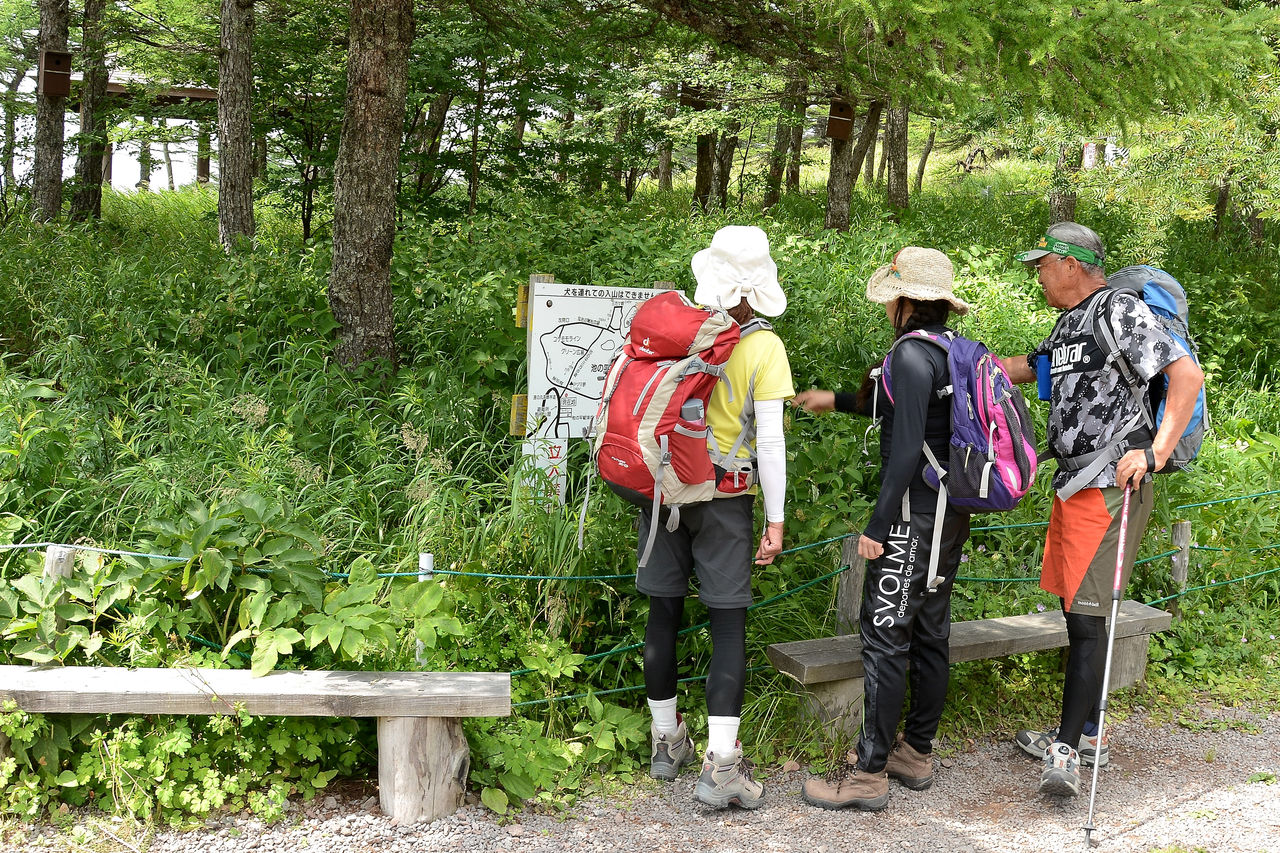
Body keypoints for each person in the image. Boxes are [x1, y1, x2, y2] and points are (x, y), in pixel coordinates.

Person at [999, 222, 1204, 797]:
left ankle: (1067, 750)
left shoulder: (1119, 310)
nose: (1038, 275)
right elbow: (1029, 367)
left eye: (1042, 265)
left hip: (1112, 484)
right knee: (1077, 611)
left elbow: (1185, 375)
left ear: (1071, 265)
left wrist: (1156, 451)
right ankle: (1086, 734)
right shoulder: (1070, 324)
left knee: (1088, 619)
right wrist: (959, 359)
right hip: (1074, 484)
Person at [793, 247, 973, 811]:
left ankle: (868, 774)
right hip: (948, 513)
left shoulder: (910, 356)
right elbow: (908, 416)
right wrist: (837, 400)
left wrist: (877, 526)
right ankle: (915, 752)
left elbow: (905, 450)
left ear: (904, 303)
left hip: (912, 516)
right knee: (931, 630)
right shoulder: (948, 349)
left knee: (885, 635)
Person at [641, 225, 794, 810]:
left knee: (663, 614)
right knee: (727, 626)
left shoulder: (678, 331)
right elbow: (771, 442)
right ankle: (722, 765)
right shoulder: (764, 347)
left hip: (663, 492)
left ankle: (665, 742)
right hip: (725, 501)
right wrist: (775, 519)